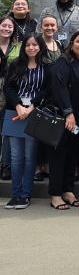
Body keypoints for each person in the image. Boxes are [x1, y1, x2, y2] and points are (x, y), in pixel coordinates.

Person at [45, 29, 79, 210]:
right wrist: (69, 113)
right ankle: (56, 195)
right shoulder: (64, 61)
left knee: (73, 154)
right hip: (64, 116)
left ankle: (67, 190)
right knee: (59, 155)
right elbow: (59, 88)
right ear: (72, 44)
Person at [3, 35, 52, 209]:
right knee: (16, 157)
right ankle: (15, 195)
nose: (31, 48)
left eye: (35, 45)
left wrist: (31, 107)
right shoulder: (16, 64)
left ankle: (26, 195)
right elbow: (7, 86)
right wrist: (18, 105)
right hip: (15, 113)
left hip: (35, 113)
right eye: (28, 45)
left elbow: (47, 89)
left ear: (40, 47)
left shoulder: (47, 66)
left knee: (30, 156)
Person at [0, 17, 20, 180]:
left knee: (7, 130)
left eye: (10, 26)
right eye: (3, 25)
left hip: (11, 90)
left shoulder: (18, 47)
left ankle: (6, 165)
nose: (7, 28)